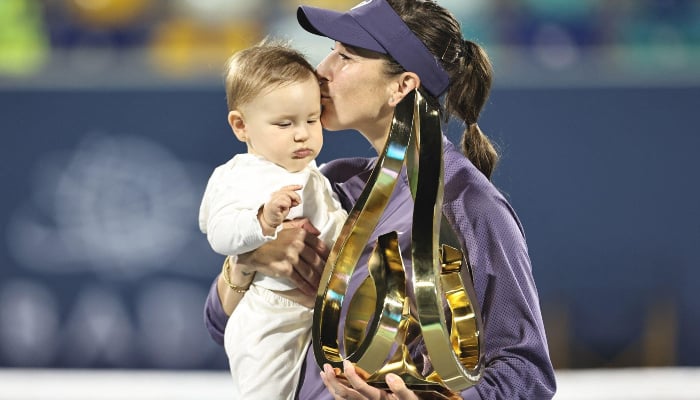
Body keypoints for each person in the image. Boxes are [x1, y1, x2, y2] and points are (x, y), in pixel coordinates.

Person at [203, 0, 557, 399]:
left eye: (345, 57)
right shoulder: (333, 182)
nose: (322, 71)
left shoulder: (470, 204)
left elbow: (526, 373)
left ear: (402, 86)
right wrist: (247, 262)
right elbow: (219, 323)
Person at [198, 40, 347, 399]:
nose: (302, 133)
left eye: (312, 119)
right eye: (284, 124)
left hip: (314, 315)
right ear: (241, 126)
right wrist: (263, 222)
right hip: (268, 317)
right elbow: (218, 232)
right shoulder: (238, 175)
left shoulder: (315, 175)